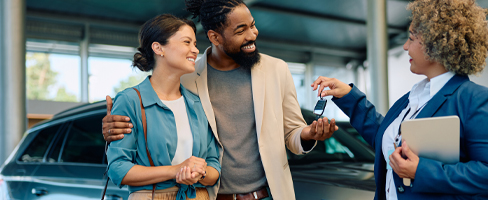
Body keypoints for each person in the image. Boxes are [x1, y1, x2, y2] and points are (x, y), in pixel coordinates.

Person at [102, 0, 338, 199]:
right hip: (209, 195)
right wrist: (111, 126)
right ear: (215, 37)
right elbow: (154, 107)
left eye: (252, 26)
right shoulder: (188, 76)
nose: (252, 34)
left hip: (266, 194)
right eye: (240, 30)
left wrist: (308, 135)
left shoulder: (276, 70)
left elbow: (292, 133)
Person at [311, 0, 488, 199]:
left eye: (411, 38)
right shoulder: (412, 97)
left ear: (436, 43)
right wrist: (348, 96)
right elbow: (386, 140)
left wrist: (420, 170)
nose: (405, 46)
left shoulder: (478, 100)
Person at [106, 14, 220, 200]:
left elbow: (214, 165)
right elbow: (118, 169)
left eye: (195, 44)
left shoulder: (197, 103)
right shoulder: (131, 100)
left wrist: (201, 172)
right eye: (186, 42)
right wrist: (175, 171)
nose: (195, 50)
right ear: (158, 48)